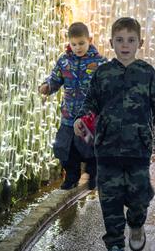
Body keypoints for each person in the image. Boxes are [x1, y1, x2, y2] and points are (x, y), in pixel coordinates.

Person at [73, 17, 155, 251]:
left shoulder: (147, 73)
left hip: (138, 149)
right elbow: (90, 103)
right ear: (111, 42)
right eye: (119, 40)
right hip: (107, 149)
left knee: (139, 197)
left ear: (140, 43)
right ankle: (115, 249)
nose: (125, 45)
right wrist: (81, 119)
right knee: (110, 200)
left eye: (130, 40)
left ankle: (136, 223)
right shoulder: (103, 73)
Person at [38, 22, 106, 190]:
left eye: (81, 43)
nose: (77, 47)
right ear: (68, 42)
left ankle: (94, 173)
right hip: (68, 116)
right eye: (73, 44)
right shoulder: (64, 61)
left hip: (89, 118)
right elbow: (55, 79)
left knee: (89, 148)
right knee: (64, 148)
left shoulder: (99, 63)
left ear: (89, 40)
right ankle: (71, 177)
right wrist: (47, 87)